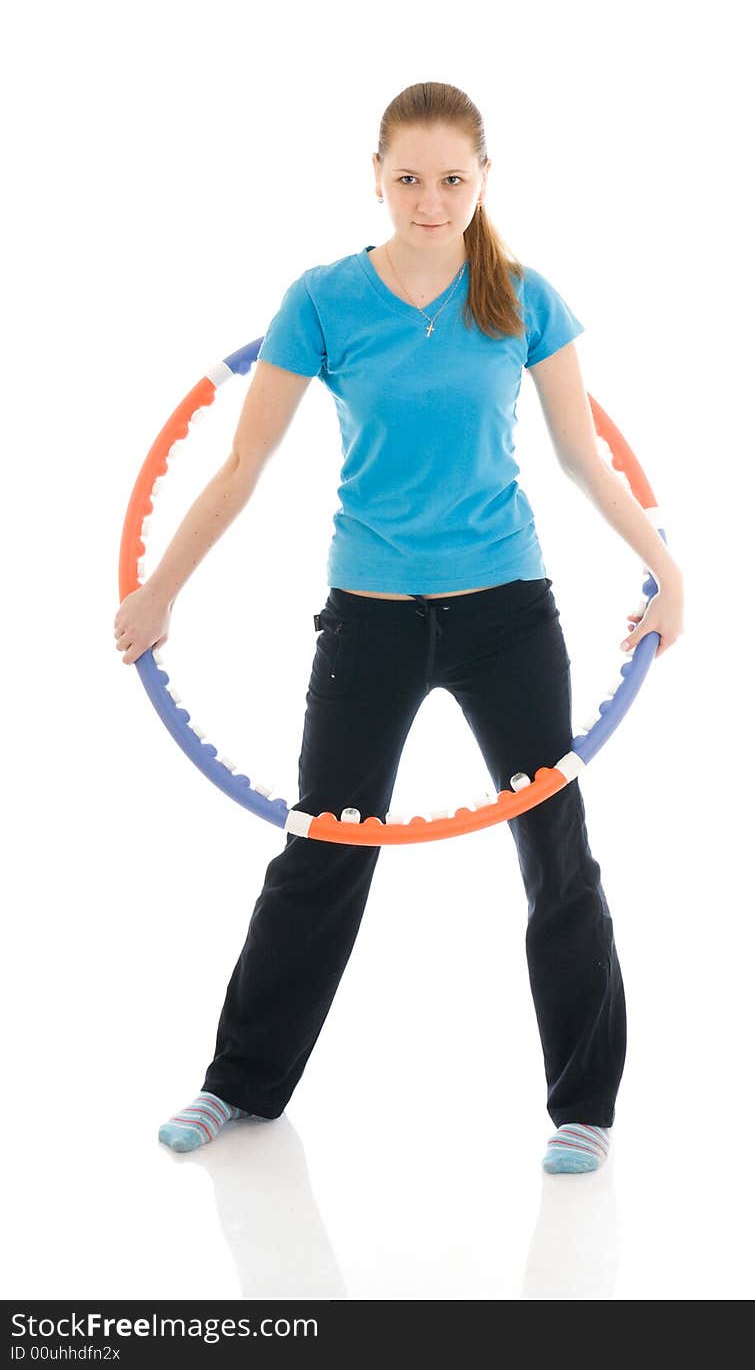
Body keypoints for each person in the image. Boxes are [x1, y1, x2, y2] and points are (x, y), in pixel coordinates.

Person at [114, 82, 684, 1174]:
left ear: (483, 182)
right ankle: (236, 1085)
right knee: (322, 852)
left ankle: (584, 1107)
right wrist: (160, 592)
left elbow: (580, 454)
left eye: (453, 180)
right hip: (368, 621)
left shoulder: (521, 297)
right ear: (374, 176)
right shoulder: (321, 301)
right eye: (411, 178)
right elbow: (242, 464)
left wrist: (664, 569)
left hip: (507, 614)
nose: (431, 200)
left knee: (556, 853)